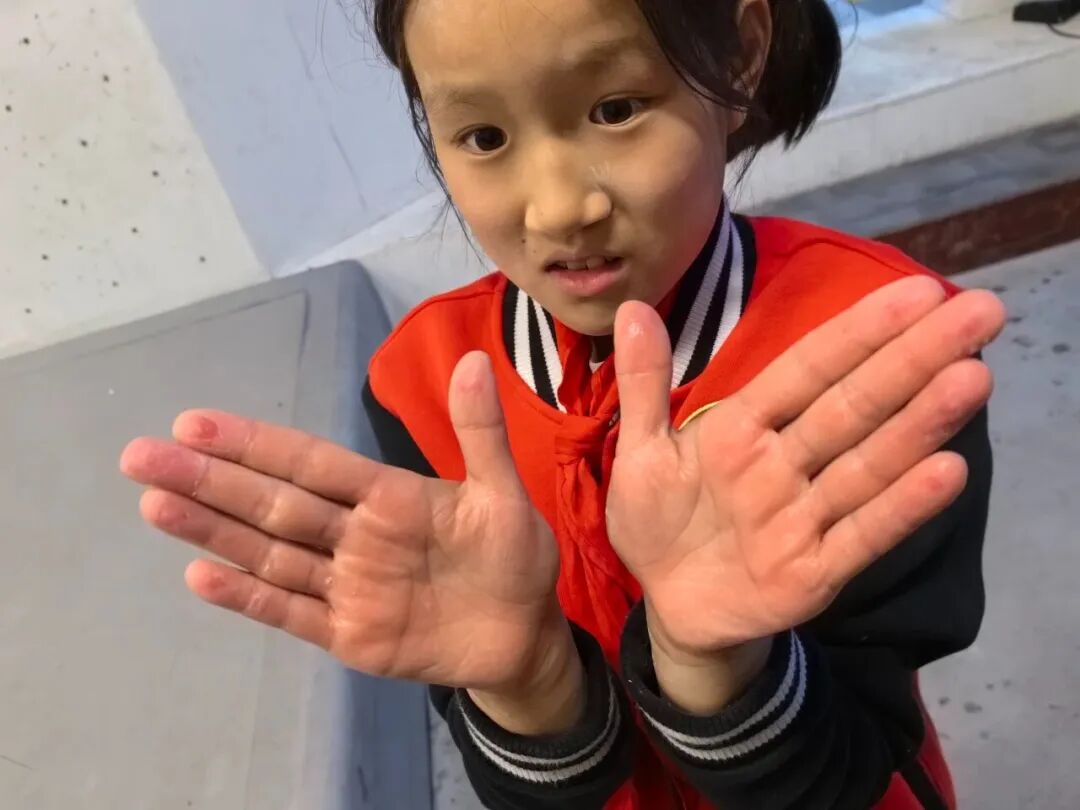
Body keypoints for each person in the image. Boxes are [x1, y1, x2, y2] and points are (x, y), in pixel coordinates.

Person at [119, 0, 1007, 807]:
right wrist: (527, 682)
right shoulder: (426, 383)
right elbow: (524, 777)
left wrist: (717, 667)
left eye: (615, 110)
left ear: (740, 56)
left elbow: (865, 749)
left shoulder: (874, 355)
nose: (556, 210)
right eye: (483, 136)